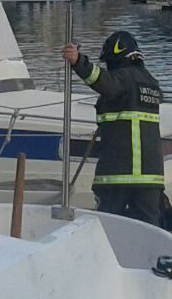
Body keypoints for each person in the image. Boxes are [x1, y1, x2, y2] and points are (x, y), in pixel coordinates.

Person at [64, 31, 165, 226]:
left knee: (108, 228)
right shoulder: (151, 82)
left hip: (119, 173)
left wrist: (78, 62)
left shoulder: (123, 78)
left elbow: (104, 81)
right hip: (151, 177)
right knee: (149, 231)